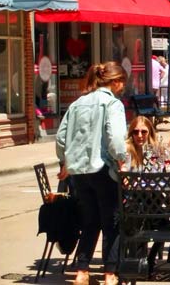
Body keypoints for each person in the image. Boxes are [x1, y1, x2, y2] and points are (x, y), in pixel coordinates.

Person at [55, 62, 128, 285]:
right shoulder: (112, 104)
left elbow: (60, 137)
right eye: (122, 83)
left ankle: (82, 271)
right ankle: (110, 273)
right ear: (115, 82)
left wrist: (66, 161)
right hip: (102, 168)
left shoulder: (78, 103)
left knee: (90, 220)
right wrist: (121, 159)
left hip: (79, 171)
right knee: (111, 221)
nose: (122, 87)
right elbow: (115, 138)